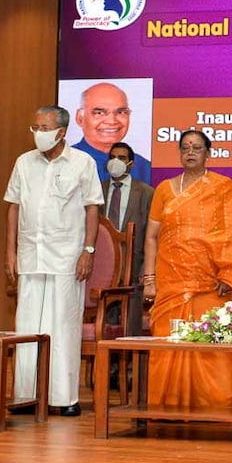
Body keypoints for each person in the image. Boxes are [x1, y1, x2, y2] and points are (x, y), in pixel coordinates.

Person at [142, 130, 232, 407]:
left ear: (208, 153)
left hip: (211, 284)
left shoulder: (223, 187)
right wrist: (149, 278)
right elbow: (151, 236)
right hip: (171, 282)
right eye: (185, 147)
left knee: (212, 344)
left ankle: (213, 405)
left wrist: (228, 275)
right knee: (167, 341)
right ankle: (166, 406)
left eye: (197, 147)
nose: (191, 152)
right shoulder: (164, 189)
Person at [5, 105, 103, 417]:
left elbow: (92, 208)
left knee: (63, 327)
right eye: (35, 127)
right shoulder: (23, 162)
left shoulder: (82, 162)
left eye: (44, 127)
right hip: (31, 256)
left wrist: (87, 251)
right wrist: (10, 252)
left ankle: (63, 398)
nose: (38, 133)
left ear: (61, 132)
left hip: (67, 258)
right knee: (27, 326)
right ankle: (25, 395)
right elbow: (13, 207)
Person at [101, 141, 155, 337]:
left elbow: (151, 234)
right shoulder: (97, 190)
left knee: (130, 327)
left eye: (121, 158)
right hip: (103, 271)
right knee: (105, 326)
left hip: (134, 269)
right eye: (112, 157)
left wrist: (146, 271)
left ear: (130, 164)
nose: (115, 162)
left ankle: (130, 367)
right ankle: (109, 367)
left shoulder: (146, 193)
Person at [72, 82, 152, 183]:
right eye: (99, 113)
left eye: (121, 112)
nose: (112, 121)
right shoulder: (65, 162)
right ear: (80, 118)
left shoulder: (144, 168)